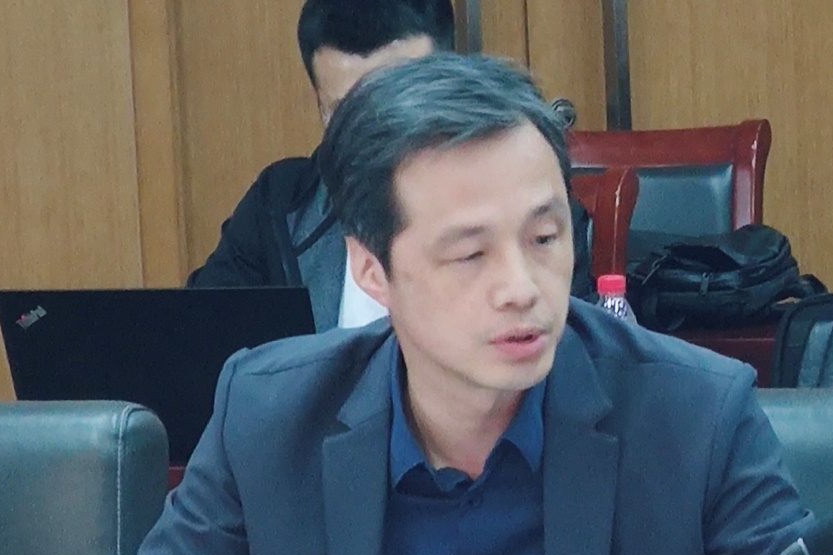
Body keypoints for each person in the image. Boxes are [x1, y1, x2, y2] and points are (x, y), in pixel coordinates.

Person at [96, 54, 833, 555]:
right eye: (470, 254)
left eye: (544, 239)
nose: (521, 287)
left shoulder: (692, 411)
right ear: (371, 269)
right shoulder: (269, 417)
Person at [187, 0, 593, 330]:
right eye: (348, 114)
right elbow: (201, 341)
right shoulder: (282, 205)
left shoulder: (528, 213)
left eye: (401, 109)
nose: (379, 138)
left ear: (450, 81)